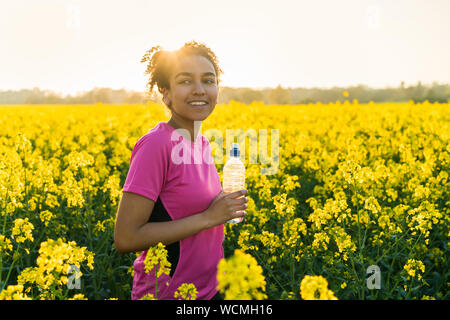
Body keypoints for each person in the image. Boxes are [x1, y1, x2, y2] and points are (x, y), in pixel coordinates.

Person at [113, 40, 248, 300]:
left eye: (208, 81)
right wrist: (210, 217)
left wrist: (221, 206)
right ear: (166, 92)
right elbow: (126, 238)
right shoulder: (156, 145)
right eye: (186, 81)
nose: (200, 90)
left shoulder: (202, 143)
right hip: (167, 294)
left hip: (210, 291)